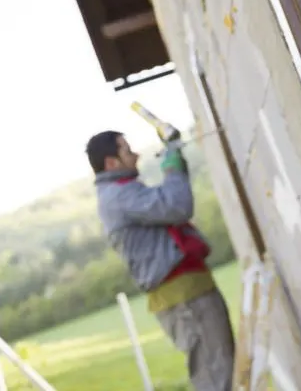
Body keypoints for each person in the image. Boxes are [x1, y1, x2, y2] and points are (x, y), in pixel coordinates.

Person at [86, 130, 235, 391]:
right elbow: (176, 206)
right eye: (127, 151)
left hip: (187, 293)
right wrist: (172, 169)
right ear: (111, 163)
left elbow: (168, 205)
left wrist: (176, 167)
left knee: (221, 369)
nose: (136, 155)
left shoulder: (123, 191)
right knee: (217, 375)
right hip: (184, 297)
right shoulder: (118, 196)